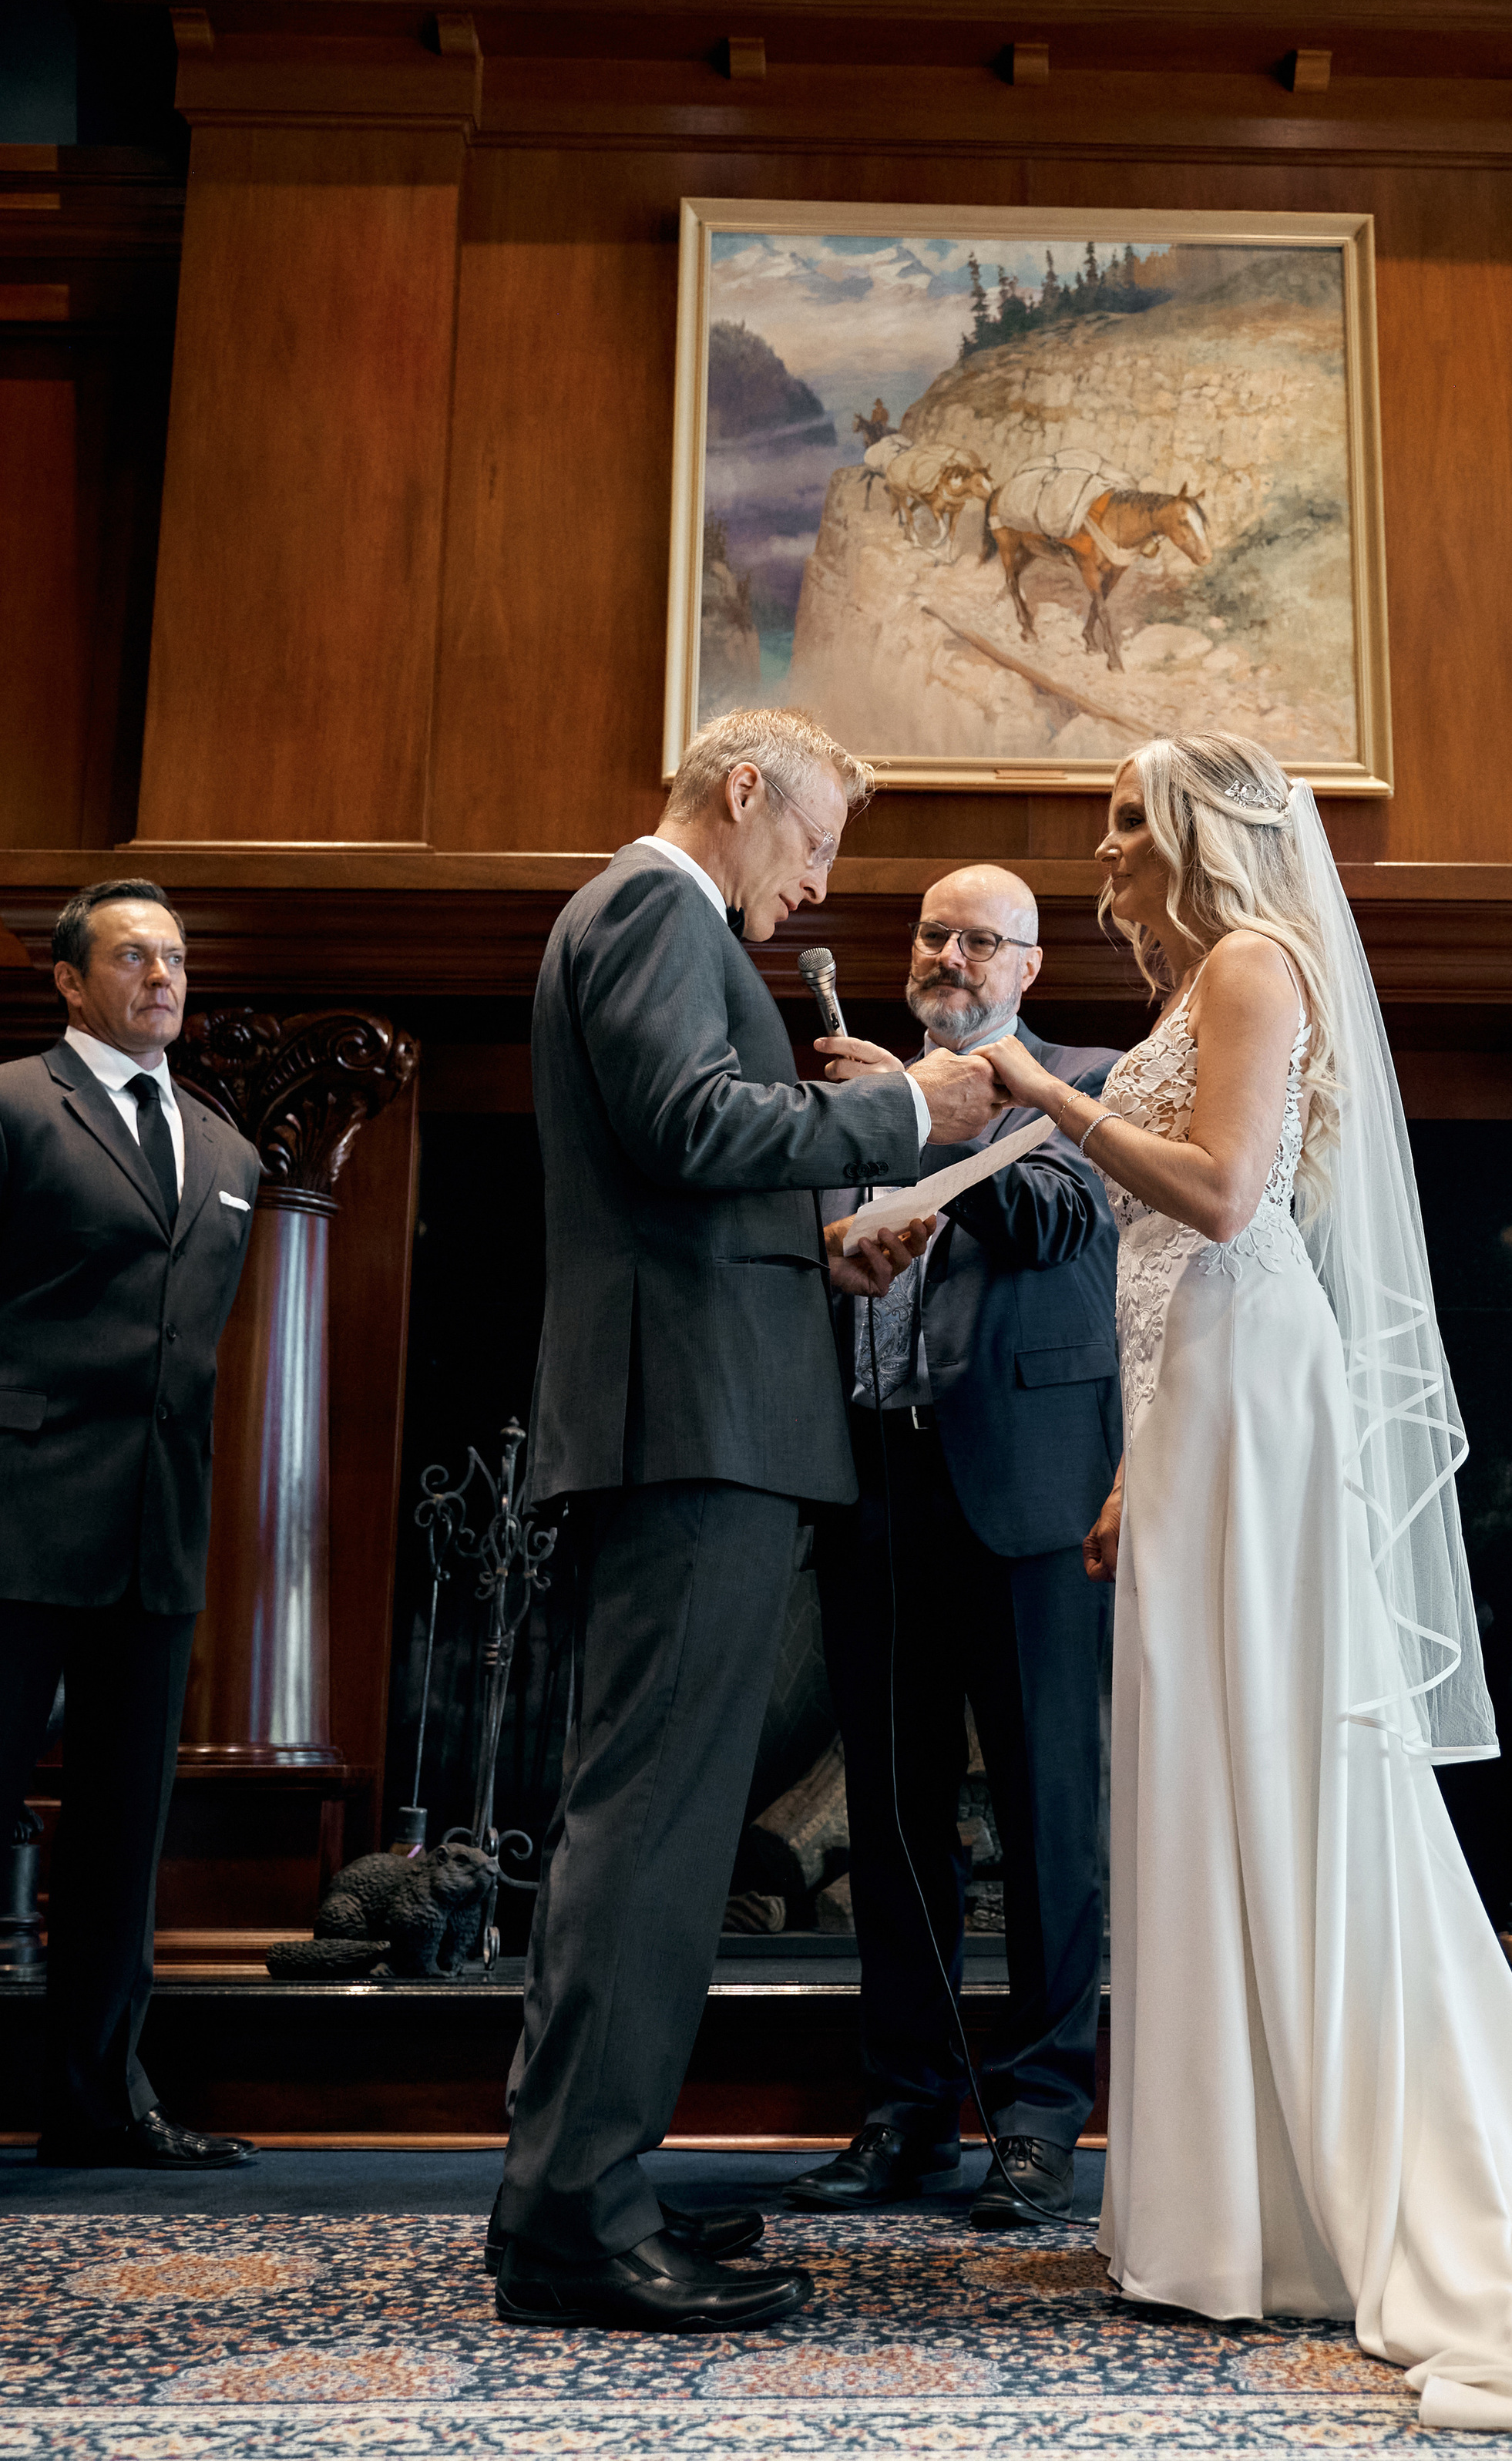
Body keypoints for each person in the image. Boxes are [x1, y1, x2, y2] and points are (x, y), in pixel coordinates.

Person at [977, 735, 1512, 2431]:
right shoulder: (1199, 985)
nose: (1101, 851)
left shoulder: (1254, 962)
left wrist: (1041, 1095)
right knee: (1199, 1773)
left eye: (1123, 822)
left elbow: (1225, 1198)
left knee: (1271, 1768)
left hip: (1259, 1411)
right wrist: (1131, 1462)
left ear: (1200, 833)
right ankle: (1224, 2214)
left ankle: (1313, 2198)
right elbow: (1166, 1275)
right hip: (1197, 1416)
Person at [492, 708, 1003, 2335]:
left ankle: (581, 2189)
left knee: (647, 1823)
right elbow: (694, 1123)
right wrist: (908, 1116)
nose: (821, 882)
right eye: (817, 840)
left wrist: (818, 1251)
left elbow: (687, 1178)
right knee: (647, 1829)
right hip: (685, 1435)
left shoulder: (649, 919)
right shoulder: (655, 909)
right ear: (739, 790)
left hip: (694, 1421)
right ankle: (575, 2220)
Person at [786, 866, 1121, 2228]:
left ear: (1030, 967)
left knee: (1048, 1814)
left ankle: (1038, 2120)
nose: (954, 955)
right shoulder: (850, 1095)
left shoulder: (1087, 1084)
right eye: (935, 934)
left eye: (985, 939)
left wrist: (921, 1123)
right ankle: (907, 2112)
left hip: (1033, 1499)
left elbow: (1052, 1222)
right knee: (891, 1816)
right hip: (872, 1485)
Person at [0, 880, 261, 2170]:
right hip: (15, 1514)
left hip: (157, 1530)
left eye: (175, 957)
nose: (162, 977)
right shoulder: (13, 1104)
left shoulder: (229, 1151)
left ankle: (99, 2105)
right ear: (68, 980)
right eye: (131, 957)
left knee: (121, 1830)